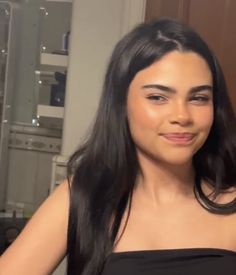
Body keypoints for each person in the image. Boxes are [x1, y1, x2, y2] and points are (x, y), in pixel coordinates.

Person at [0, 17, 236, 275]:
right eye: (157, 97)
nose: (182, 116)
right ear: (122, 104)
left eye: (199, 98)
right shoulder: (85, 198)